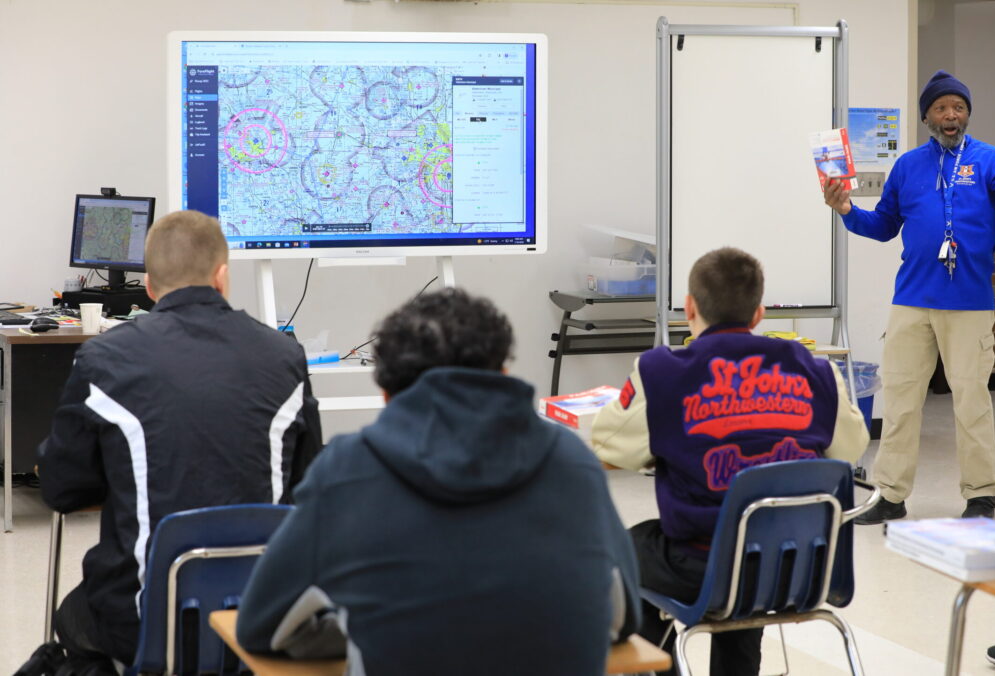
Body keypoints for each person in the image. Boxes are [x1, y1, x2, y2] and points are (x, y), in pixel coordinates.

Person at [236, 288, 641, 676]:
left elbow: (261, 624)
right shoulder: (573, 463)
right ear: (502, 373)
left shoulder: (348, 471)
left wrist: (353, 629)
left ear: (386, 395)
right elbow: (625, 619)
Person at [32, 210, 323, 672]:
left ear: (149, 286)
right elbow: (307, 485)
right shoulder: (285, 355)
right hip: (261, 616)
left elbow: (62, 490)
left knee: (73, 615)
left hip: (141, 624)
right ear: (222, 277)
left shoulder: (103, 358)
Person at [591, 247, 869, 676]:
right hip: (798, 566)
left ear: (689, 308)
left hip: (702, 566)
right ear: (758, 314)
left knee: (623, 551)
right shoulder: (815, 371)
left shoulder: (663, 373)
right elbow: (851, 448)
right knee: (751, 537)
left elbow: (607, 443)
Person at [823, 70, 995, 524]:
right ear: (927, 117)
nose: (950, 115)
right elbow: (883, 225)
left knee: (972, 403)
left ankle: (981, 495)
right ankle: (890, 495)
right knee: (901, 402)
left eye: (958, 107)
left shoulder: (990, 160)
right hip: (911, 301)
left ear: (967, 114)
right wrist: (847, 210)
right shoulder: (907, 167)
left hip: (969, 304)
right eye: (941, 108)